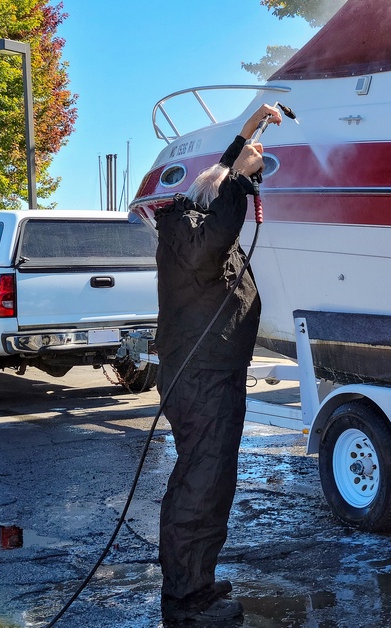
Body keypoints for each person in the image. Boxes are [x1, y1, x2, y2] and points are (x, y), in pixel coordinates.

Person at [153, 103, 282, 623]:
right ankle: (185, 600)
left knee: (211, 482)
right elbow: (213, 242)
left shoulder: (196, 222)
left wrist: (246, 134)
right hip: (200, 379)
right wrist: (239, 182)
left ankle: (196, 582)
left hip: (215, 375)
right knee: (202, 484)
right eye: (227, 186)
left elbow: (219, 178)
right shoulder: (187, 230)